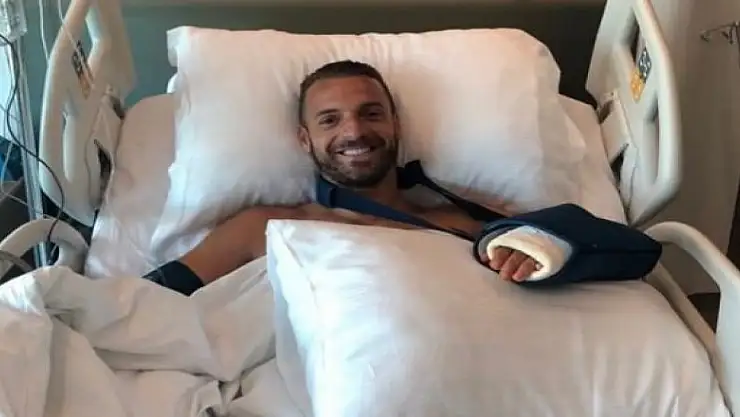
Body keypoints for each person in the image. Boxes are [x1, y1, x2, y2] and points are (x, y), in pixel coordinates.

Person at [145, 60, 661, 296]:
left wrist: (542, 248)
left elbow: (632, 252)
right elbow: (153, 302)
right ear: (305, 140)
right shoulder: (263, 227)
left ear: (395, 125)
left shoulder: (459, 223)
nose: (354, 131)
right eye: (330, 120)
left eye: (371, 114)